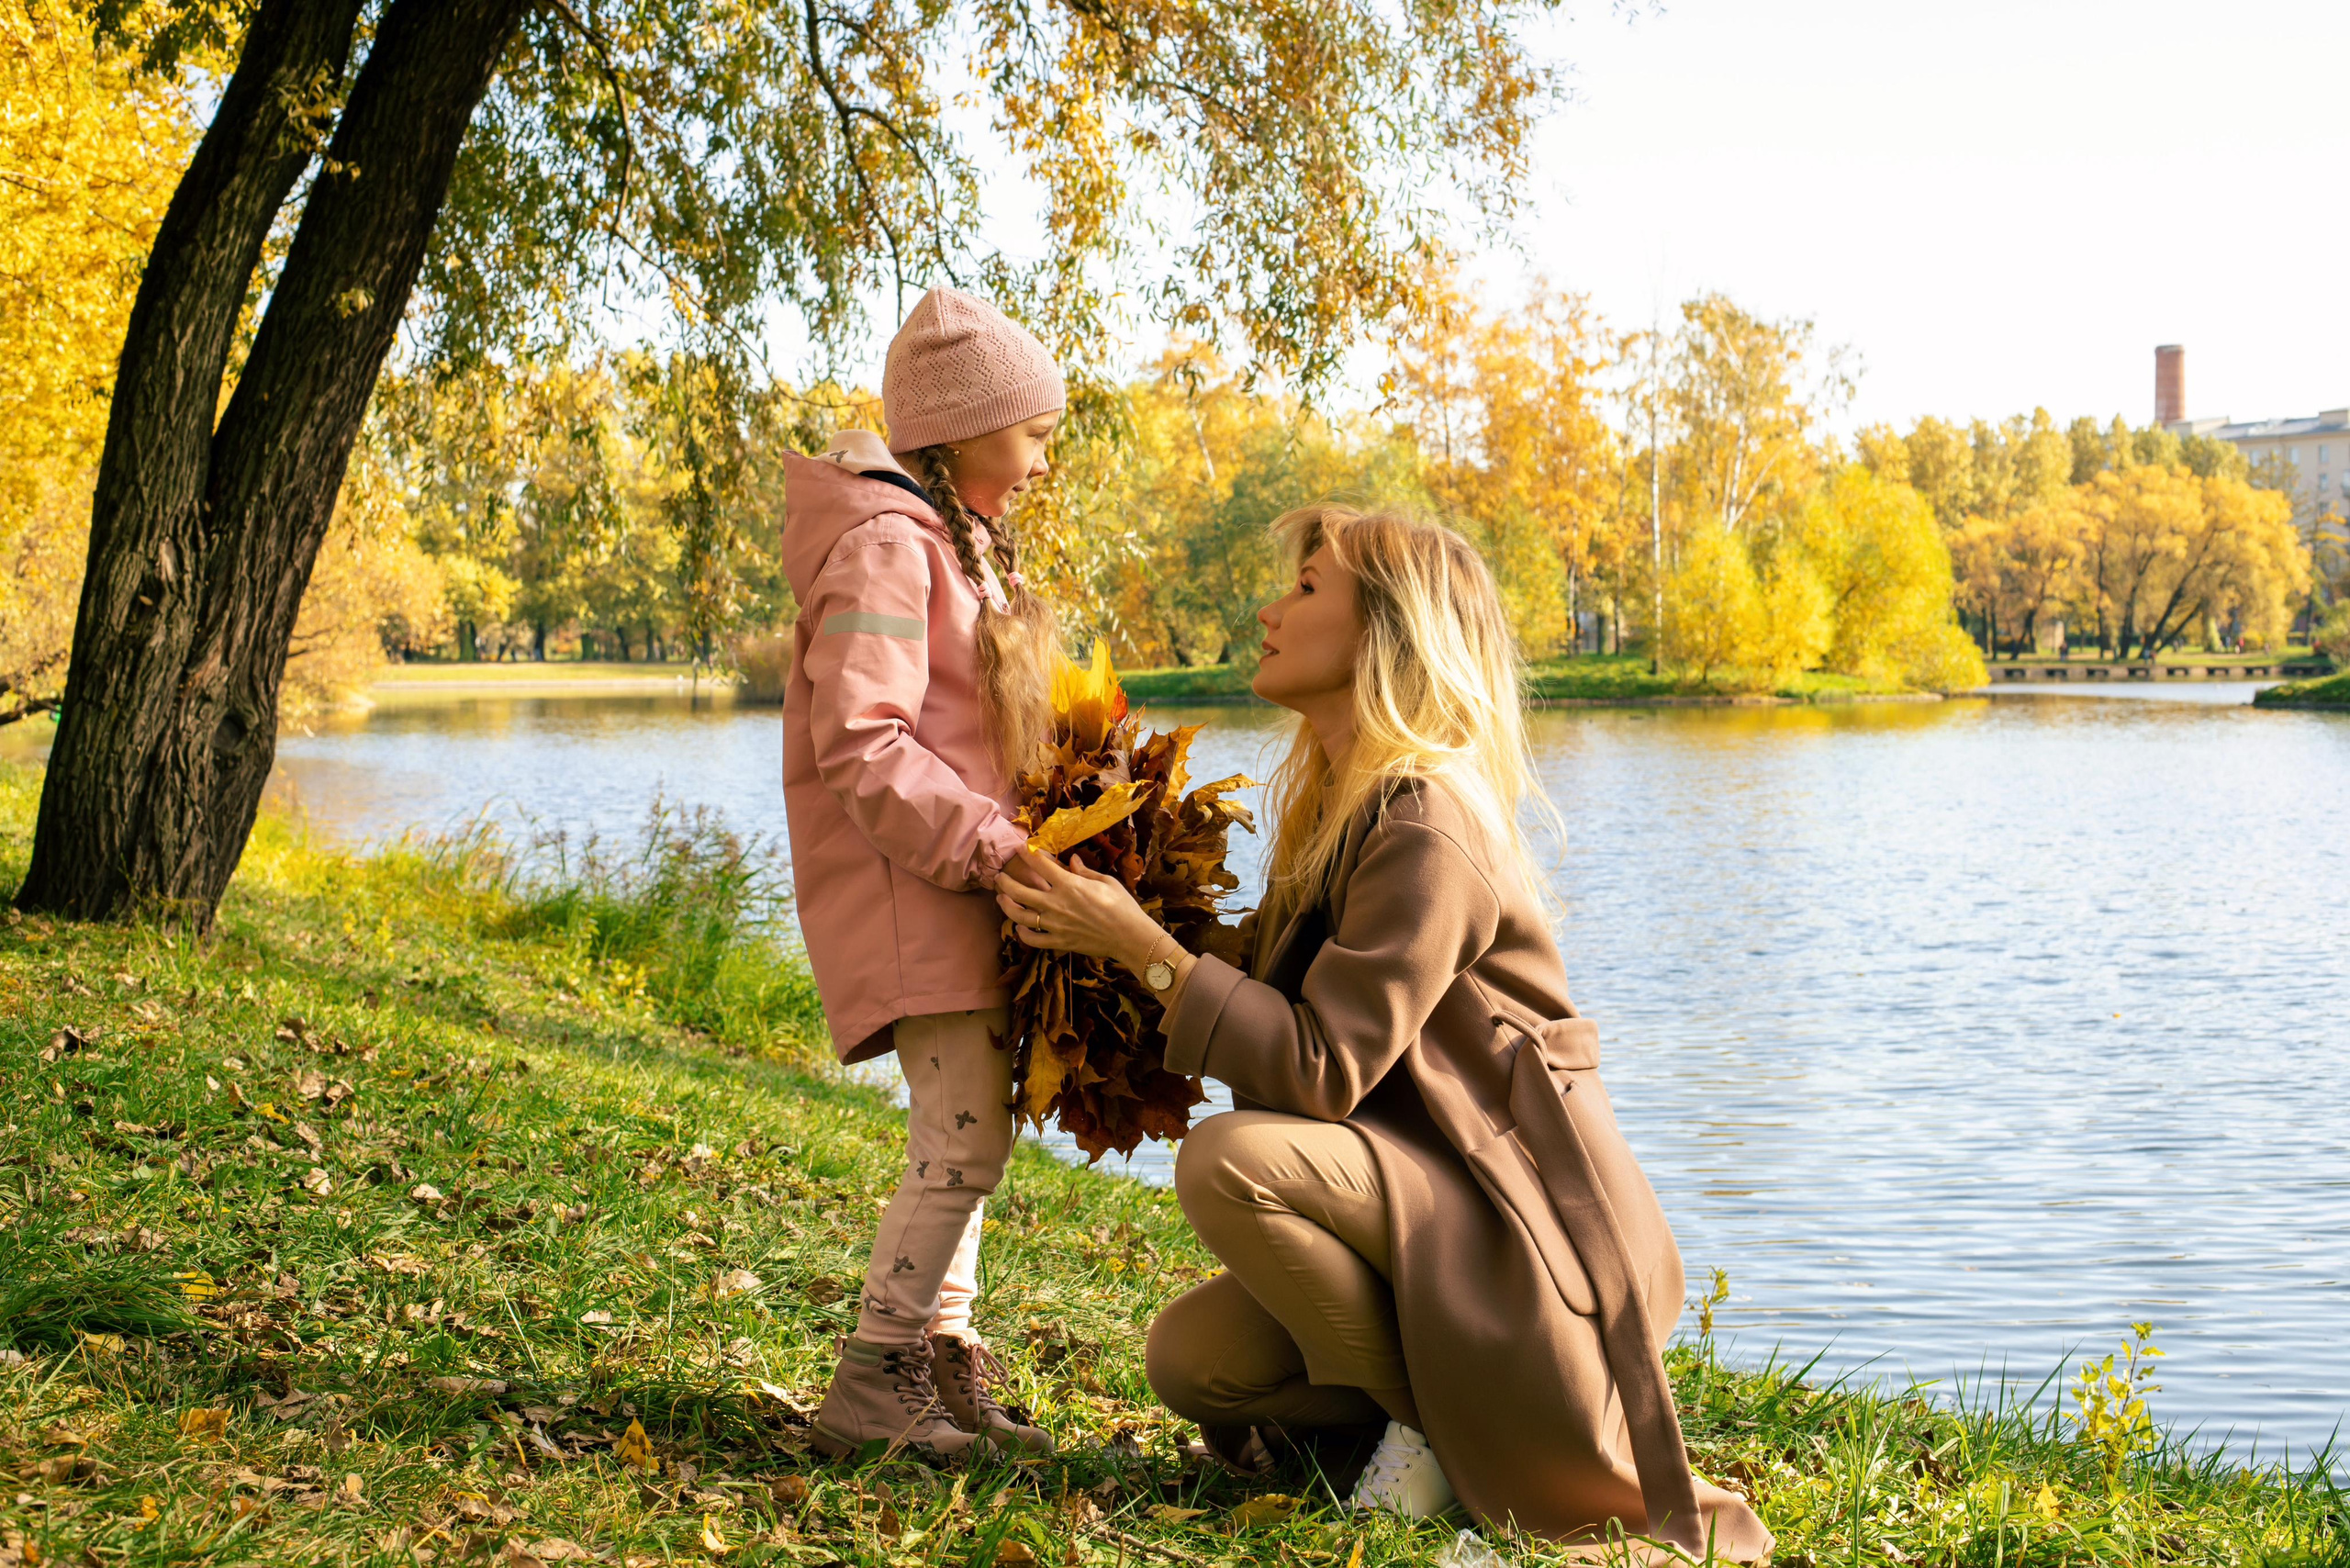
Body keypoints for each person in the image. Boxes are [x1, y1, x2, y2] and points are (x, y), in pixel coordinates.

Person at [992, 506, 1773, 1558]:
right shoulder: (1340, 804)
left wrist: (1150, 952)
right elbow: (1273, 1003)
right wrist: (1120, 909)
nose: (1270, 609)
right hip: (1429, 1192)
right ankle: (1426, 1421)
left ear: (1384, 635)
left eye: (1307, 588)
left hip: (1523, 1234)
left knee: (1229, 1160)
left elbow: (1321, 1068)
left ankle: (1457, 1427)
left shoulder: (1426, 820)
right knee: (1188, 1361)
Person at [781, 286, 1063, 1459]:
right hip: (922, 891)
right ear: (962, 429)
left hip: (958, 888)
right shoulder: (893, 548)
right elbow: (864, 739)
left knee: (967, 1134)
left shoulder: (954, 542)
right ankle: (871, 1373)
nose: (1046, 458)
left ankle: (943, 1362)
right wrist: (996, 849)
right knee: (962, 1141)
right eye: (1035, 431)